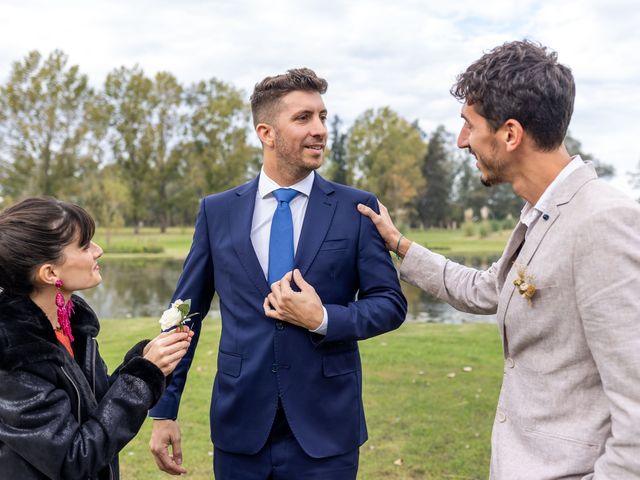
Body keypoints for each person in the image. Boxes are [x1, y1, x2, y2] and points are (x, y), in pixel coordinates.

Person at [359, 40, 640, 478]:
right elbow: (488, 289)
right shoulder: (540, 214)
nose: (460, 141)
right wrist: (400, 244)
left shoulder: (603, 222)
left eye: (469, 125)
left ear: (510, 134)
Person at [148, 68, 407, 479]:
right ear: (266, 133)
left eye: (322, 116)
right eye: (303, 118)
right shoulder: (217, 212)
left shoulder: (355, 209)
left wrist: (323, 319)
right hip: (240, 427)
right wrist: (164, 408)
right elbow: (185, 313)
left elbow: (390, 305)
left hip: (327, 429)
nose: (320, 129)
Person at [0, 197, 193, 480]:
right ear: (50, 272)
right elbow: (73, 458)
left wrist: (144, 362)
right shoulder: (14, 352)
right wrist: (143, 377)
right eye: (84, 245)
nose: (98, 251)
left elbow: (94, 411)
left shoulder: (70, 326)